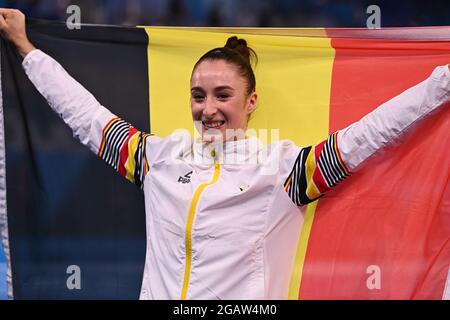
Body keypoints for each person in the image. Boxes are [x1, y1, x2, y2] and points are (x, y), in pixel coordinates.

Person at [0, 8, 449, 300]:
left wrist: (441, 84)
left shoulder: (284, 172)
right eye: (198, 95)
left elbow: (365, 136)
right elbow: (87, 118)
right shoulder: (158, 158)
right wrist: (26, 48)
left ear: (251, 102)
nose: (208, 109)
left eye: (222, 95)